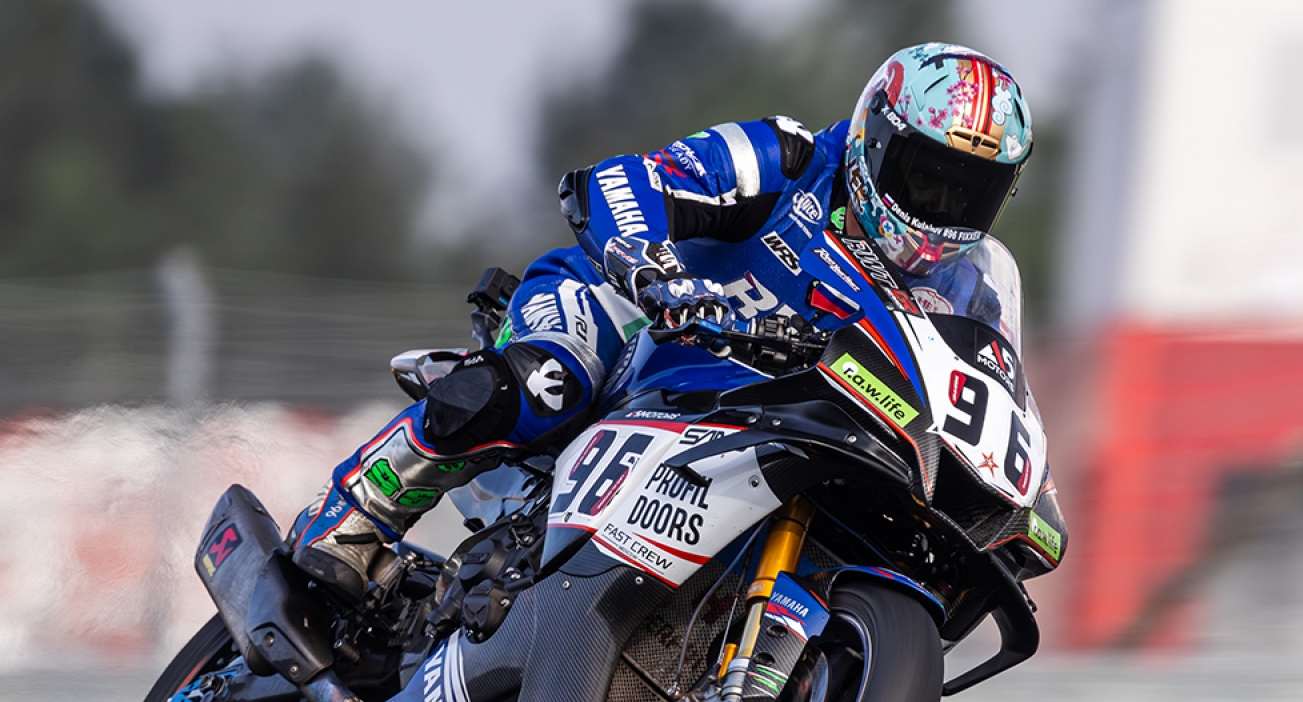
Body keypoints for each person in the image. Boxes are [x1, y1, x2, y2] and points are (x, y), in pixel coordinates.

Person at [291, 42, 1036, 599]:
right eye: (925, 177)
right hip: (625, 322)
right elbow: (624, 181)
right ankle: (356, 513)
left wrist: (1024, 508)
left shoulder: (970, 289)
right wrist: (656, 274)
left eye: (969, 193)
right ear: (876, 138)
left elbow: (990, 401)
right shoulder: (792, 157)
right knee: (549, 381)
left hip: (772, 430)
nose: (941, 208)